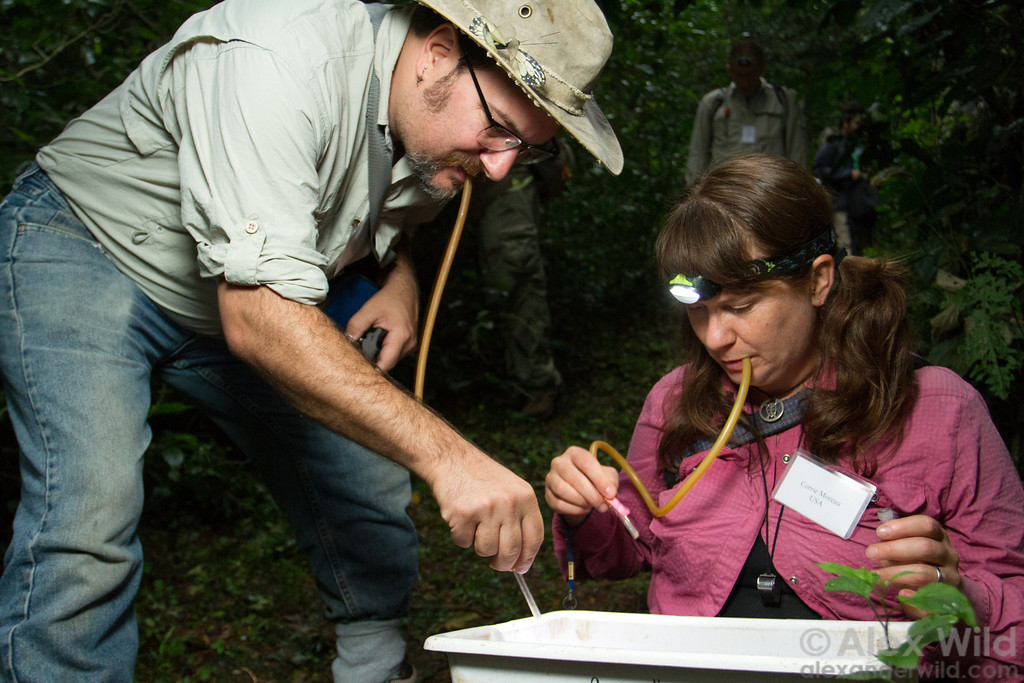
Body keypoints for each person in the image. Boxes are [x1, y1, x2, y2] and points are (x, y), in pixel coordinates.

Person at [0, 0, 623, 680]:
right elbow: (261, 316)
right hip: (87, 243)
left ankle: (373, 664)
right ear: (438, 52)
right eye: (499, 129)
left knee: (365, 473)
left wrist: (400, 278)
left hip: (232, 291)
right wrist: (453, 459)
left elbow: (377, 215)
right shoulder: (275, 58)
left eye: (525, 148)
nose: (501, 169)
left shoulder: (437, 122)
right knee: (90, 514)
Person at [545, 155, 1024, 680]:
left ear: (818, 281)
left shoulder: (939, 409)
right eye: (699, 310)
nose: (714, 338)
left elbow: (1013, 610)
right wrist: (582, 510)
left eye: (743, 306)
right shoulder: (675, 402)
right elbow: (621, 552)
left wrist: (960, 597)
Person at [684, 38, 807, 186]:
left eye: (751, 75)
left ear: (762, 69)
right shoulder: (713, 104)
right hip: (725, 192)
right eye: (739, 76)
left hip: (769, 191)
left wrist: (798, 191)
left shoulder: (784, 102)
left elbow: (797, 153)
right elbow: (697, 154)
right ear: (729, 69)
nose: (746, 82)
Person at [813, 99, 880, 255]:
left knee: (862, 244)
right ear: (845, 122)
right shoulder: (833, 143)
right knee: (845, 244)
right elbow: (819, 169)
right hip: (840, 202)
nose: (859, 127)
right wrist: (847, 173)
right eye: (856, 123)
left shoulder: (860, 144)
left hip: (859, 204)